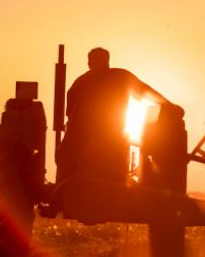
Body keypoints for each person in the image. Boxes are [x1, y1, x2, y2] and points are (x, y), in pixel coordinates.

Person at [56, 47, 181, 182]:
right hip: (96, 143)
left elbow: (145, 91)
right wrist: (168, 105)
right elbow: (145, 91)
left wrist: (168, 105)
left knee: (74, 172)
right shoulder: (117, 77)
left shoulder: (85, 82)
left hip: (102, 143)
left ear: (91, 63)